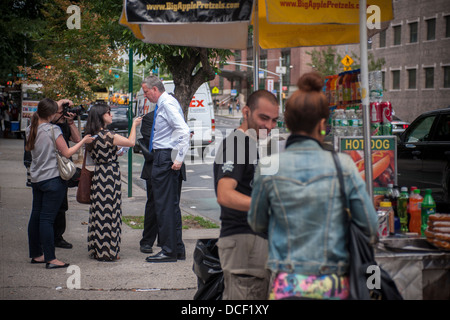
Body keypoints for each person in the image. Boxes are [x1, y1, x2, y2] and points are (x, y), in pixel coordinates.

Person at [247, 72, 379, 300]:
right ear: (322, 124)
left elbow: (256, 223)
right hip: (333, 284)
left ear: (287, 123)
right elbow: (369, 225)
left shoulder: (269, 165)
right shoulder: (343, 166)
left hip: (286, 284)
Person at [213, 89, 279, 300]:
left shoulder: (251, 144)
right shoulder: (236, 144)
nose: (269, 126)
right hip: (243, 243)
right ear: (246, 111)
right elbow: (224, 194)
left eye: (275, 120)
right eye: (264, 118)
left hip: (254, 243)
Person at [25, 98, 94, 269]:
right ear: (51, 114)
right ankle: (51, 259)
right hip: (53, 179)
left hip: (37, 179)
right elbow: (67, 151)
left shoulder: (30, 129)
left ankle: (36, 254)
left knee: (36, 216)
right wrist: (83, 141)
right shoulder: (53, 130)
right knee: (47, 219)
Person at [141, 76, 190, 263]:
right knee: (170, 206)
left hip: (165, 156)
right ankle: (176, 248)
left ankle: (169, 250)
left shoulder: (167, 103)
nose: (145, 96)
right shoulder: (167, 102)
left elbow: (184, 131)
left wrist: (178, 159)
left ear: (155, 89)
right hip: (165, 155)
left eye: (146, 92)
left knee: (164, 206)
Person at [84, 103, 142, 261]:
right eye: (109, 113)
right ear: (101, 116)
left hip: (98, 175)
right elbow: (131, 142)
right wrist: (134, 125)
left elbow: (105, 152)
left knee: (100, 213)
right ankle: (109, 251)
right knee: (111, 213)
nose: (112, 115)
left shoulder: (91, 135)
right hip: (110, 175)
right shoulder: (108, 135)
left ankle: (98, 249)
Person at [51, 99, 81, 249]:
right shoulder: (46, 124)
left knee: (62, 205)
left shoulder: (64, 124)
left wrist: (70, 122)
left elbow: (76, 139)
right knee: (48, 206)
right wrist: (59, 103)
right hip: (50, 169)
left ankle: (58, 236)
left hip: (63, 169)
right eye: (61, 109)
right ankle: (47, 236)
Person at [139, 108, 158, 254]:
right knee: (153, 204)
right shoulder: (149, 118)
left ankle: (166, 239)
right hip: (154, 167)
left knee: (173, 204)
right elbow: (149, 140)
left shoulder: (177, 115)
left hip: (175, 166)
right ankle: (147, 241)